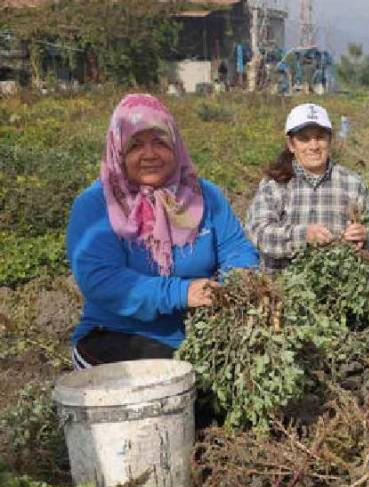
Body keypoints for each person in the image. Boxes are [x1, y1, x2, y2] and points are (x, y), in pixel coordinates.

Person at [67, 94, 259, 369]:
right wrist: (181, 293)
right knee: (180, 384)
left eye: (159, 141)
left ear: (175, 145)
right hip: (119, 335)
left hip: (198, 334)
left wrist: (237, 284)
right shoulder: (97, 205)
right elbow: (101, 279)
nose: (150, 154)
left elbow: (237, 249)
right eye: (135, 145)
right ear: (118, 150)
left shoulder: (204, 195)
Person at [246, 103, 369, 272]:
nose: (314, 146)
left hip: (342, 289)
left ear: (330, 140)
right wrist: (303, 236)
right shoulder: (274, 184)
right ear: (291, 144)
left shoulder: (352, 184)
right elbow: (259, 233)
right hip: (283, 288)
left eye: (320, 137)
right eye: (304, 139)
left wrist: (365, 238)